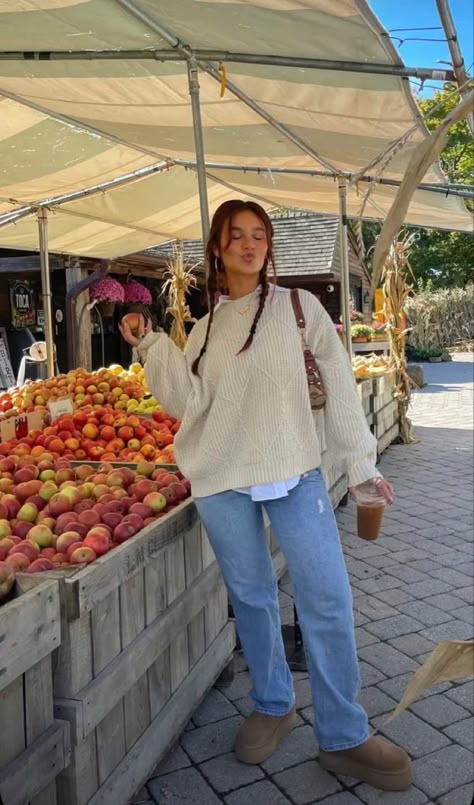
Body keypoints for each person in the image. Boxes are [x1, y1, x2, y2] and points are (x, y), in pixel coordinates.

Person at [119, 200, 411, 793]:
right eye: (236, 236)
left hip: (295, 471)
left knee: (326, 598)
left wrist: (359, 466)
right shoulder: (207, 327)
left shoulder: (301, 309)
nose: (249, 245)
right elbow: (188, 403)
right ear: (218, 249)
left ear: (269, 245)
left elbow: (341, 391)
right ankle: (273, 703)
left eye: (259, 235)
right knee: (251, 597)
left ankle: (344, 734)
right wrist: (150, 345)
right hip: (222, 476)